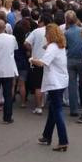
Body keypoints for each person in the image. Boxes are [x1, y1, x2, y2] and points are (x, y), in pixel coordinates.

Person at [30, 24, 69, 152]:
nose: (45, 36)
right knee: (53, 109)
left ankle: (63, 141)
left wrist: (32, 59)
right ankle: (47, 136)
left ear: (50, 34)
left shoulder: (52, 47)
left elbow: (42, 63)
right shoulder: (59, 45)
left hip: (54, 82)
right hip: (61, 81)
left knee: (57, 111)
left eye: (46, 33)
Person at [26, 14, 53, 115]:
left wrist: (32, 49)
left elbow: (26, 43)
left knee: (38, 86)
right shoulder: (53, 31)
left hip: (37, 60)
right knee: (50, 84)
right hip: (50, 61)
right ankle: (49, 103)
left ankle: (39, 106)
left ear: (42, 22)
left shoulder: (36, 31)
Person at [63, 11, 82, 116]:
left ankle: (74, 109)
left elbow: (65, 46)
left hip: (71, 59)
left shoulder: (66, 33)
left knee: (72, 85)